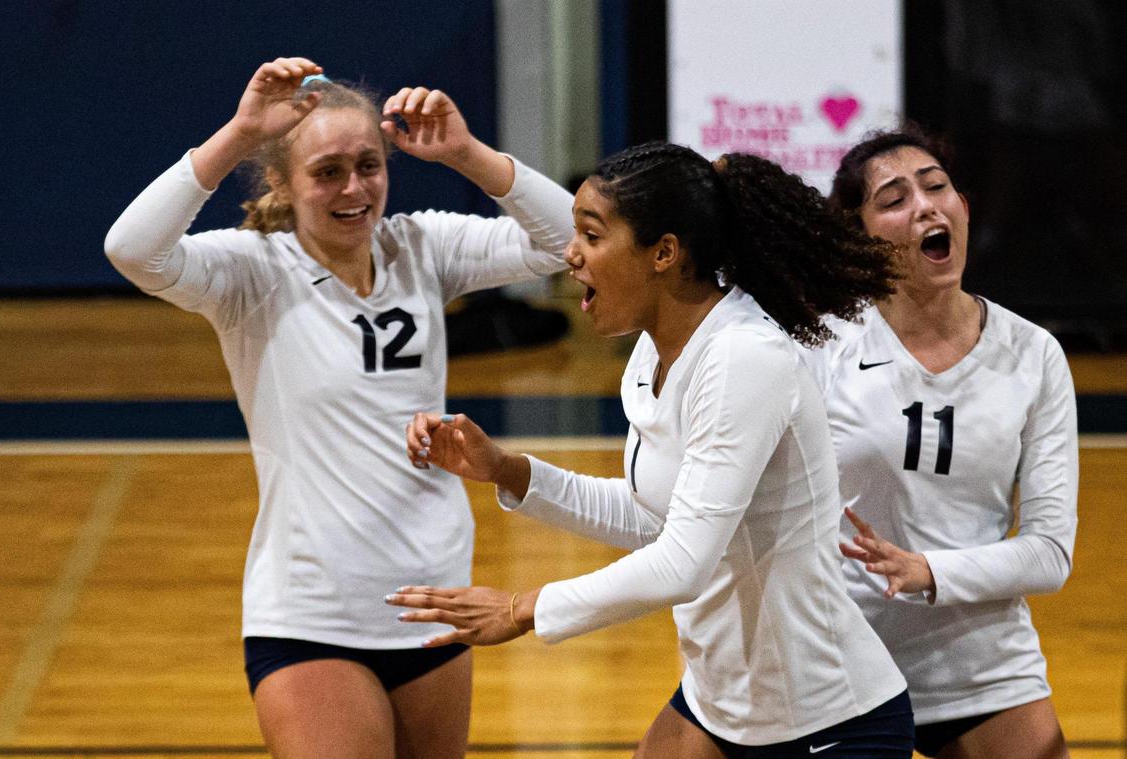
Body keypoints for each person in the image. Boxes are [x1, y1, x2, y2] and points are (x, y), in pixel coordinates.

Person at [104, 57, 573, 759]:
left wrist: (466, 153)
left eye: (369, 165)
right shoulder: (252, 271)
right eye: (327, 172)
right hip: (312, 616)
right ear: (283, 184)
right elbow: (132, 249)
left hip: (431, 608)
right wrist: (239, 132)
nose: (354, 188)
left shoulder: (420, 246)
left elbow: (570, 241)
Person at [388, 141, 915, 758]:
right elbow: (655, 517)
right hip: (722, 703)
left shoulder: (744, 357)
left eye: (591, 234)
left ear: (664, 253)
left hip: (827, 721)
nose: (570, 254)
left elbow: (682, 563)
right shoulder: (649, 355)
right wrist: (509, 472)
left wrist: (522, 608)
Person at [804, 124, 1078, 758]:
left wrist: (930, 570)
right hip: (841, 663)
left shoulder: (1035, 354)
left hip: (978, 663)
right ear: (860, 237)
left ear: (962, 209)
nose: (925, 205)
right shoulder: (819, 346)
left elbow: (1049, 553)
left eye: (937, 187)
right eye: (894, 199)